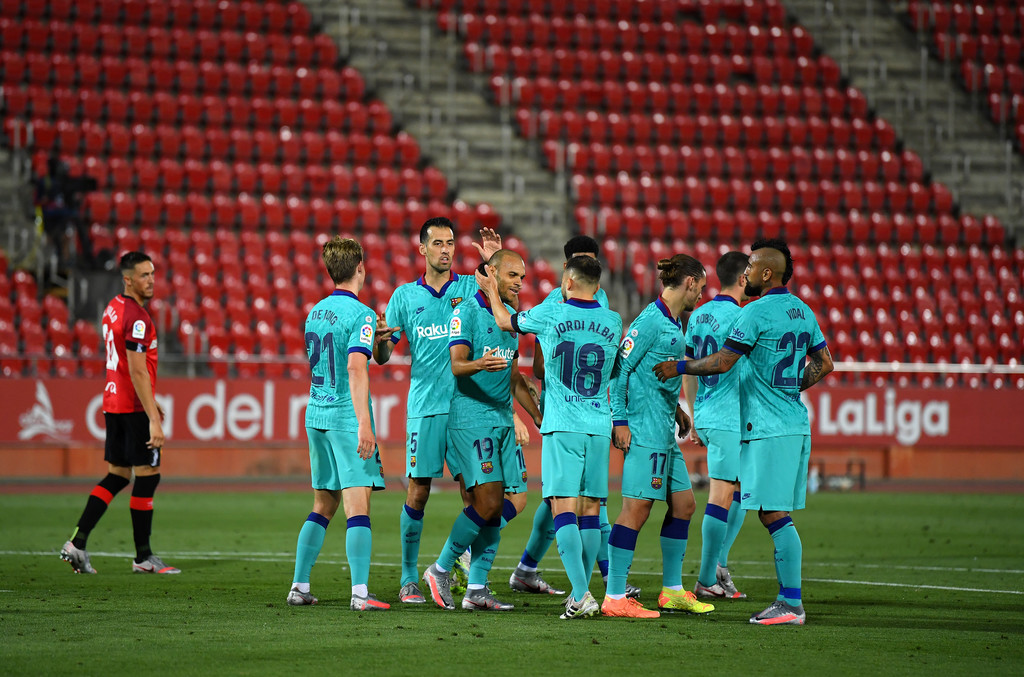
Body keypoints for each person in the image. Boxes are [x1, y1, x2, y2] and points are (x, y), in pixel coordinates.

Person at [654, 238, 834, 626]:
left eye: (752, 266)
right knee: (766, 510)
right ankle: (780, 598)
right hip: (793, 424)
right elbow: (826, 362)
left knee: (773, 514)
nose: (747, 272)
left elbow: (722, 361)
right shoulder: (802, 311)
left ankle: (791, 603)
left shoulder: (753, 313)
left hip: (767, 429)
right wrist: (789, 387)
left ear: (766, 273)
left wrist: (680, 368)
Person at [482, 255, 622, 620]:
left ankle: (580, 594)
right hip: (598, 424)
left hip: (563, 424)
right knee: (592, 509)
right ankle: (586, 590)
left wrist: (490, 293)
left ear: (569, 282)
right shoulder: (613, 320)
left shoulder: (553, 313)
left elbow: (503, 321)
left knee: (563, 509)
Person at [372, 218, 501, 604]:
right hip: (426, 407)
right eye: (438, 243)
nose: (446, 249)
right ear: (422, 249)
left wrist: (493, 263)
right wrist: (380, 342)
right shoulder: (403, 297)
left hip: (467, 406)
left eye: (450, 243)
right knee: (418, 491)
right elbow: (383, 356)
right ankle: (409, 578)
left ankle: (466, 579)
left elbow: (504, 303)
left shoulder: (467, 285)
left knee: (474, 496)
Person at [510, 235, 634, 598]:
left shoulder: (563, 306)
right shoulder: (603, 312)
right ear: (568, 268)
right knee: (584, 506)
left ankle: (547, 576)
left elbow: (538, 355)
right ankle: (609, 585)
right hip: (582, 412)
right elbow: (612, 367)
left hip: (574, 414)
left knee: (565, 503)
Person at [422, 250, 543, 610]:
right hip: (471, 418)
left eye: (522, 276)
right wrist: (478, 363)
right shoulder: (466, 313)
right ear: (491, 275)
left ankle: (476, 589)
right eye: (512, 276)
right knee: (488, 502)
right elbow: (457, 365)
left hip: (503, 419)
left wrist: (536, 415)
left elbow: (514, 377)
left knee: (503, 506)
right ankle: (441, 568)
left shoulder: (509, 320)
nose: (519, 282)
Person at [601, 254, 714, 619]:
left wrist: (678, 409)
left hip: (664, 430)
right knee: (637, 509)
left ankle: (672, 591)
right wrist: (619, 420)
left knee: (684, 504)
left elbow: (653, 375)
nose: (702, 294)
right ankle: (615, 596)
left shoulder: (675, 321)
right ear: (691, 283)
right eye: (702, 286)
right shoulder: (649, 320)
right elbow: (620, 371)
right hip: (643, 431)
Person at [287, 237, 388, 611]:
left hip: (316, 413)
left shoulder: (315, 311)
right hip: (346, 417)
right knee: (357, 506)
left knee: (323, 503)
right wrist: (364, 423)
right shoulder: (360, 314)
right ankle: (361, 594)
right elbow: (355, 368)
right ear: (360, 266)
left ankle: (299, 585)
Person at [60, 252, 177, 575]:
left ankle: (77, 543)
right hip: (134, 407)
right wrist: (153, 416)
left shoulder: (113, 307)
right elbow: (138, 371)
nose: (150, 280)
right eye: (143, 275)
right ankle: (143, 557)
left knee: (118, 475)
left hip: (114, 402)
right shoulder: (138, 317)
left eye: (152, 273)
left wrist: (151, 402)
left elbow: (127, 368)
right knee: (148, 476)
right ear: (127, 279)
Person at [685, 251, 751, 600]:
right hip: (729, 417)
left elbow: (689, 365)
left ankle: (719, 564)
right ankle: (707, 577)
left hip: (709, 413)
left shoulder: (698, 315)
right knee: (722, 494)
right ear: (744, 279)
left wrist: (696, 416)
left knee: (739, 489)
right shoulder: (743, 317)